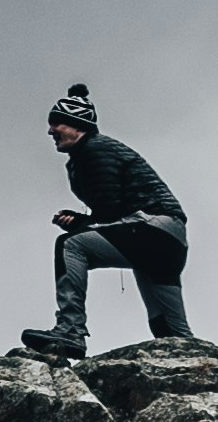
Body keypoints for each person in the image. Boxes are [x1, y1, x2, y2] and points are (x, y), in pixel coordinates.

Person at [21, 82, 191, 359]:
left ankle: (70, 330)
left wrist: (79, 224)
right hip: (167, 239)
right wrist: (82, 221)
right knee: (171, 332)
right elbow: (110, 210)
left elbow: (109, 210)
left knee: (70, 246)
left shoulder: (94, 150)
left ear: (78, 124)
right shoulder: (88, 154)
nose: (51, 131)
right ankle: (202, 363)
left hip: (152, 229)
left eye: (57, 124)